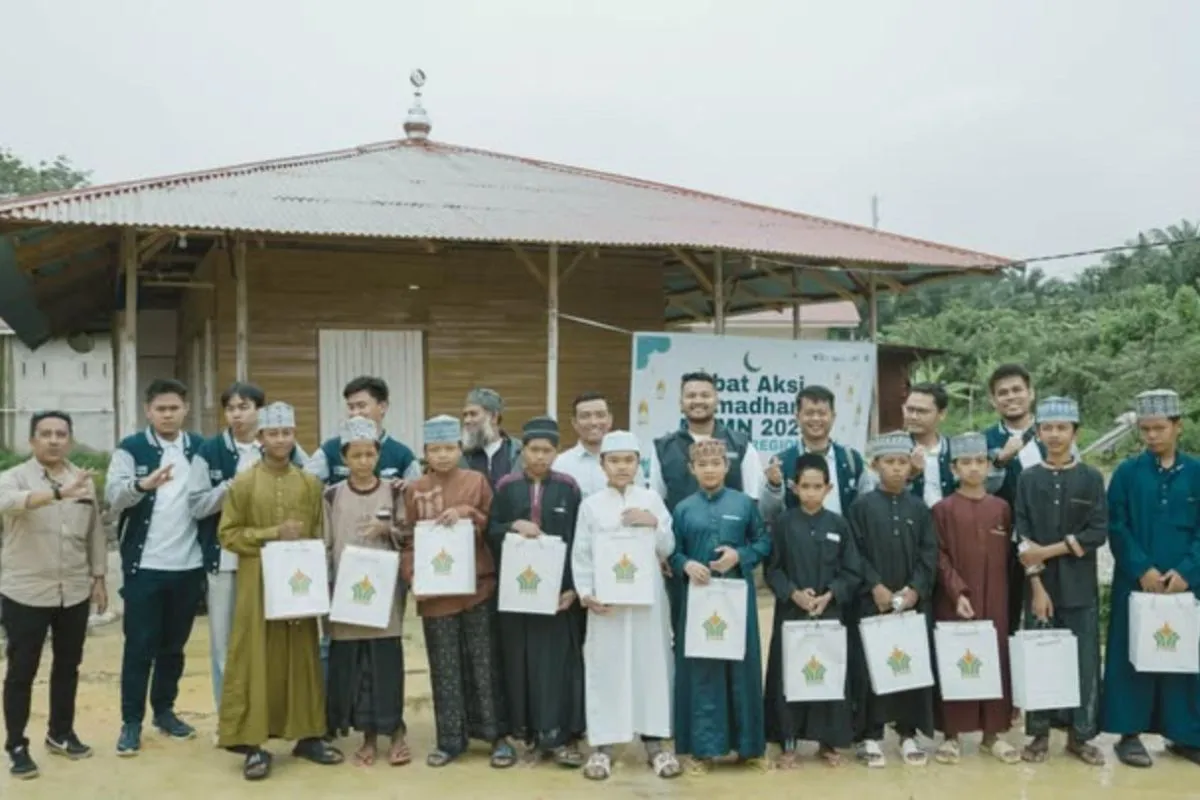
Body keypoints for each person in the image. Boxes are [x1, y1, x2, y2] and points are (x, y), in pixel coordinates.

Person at [216, 402, 342, 780]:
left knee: (302, 653)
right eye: (273, 433)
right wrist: (272, 534)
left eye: (287, 433)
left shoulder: (309, 483)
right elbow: (228, 535)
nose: (281, 440)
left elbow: (321, 534)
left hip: (300, 583)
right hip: (257, 583)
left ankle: (308, 735)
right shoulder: (244, 483)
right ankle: (254, 743)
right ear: (260, 438)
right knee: (256, 656)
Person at [188, 381, 308, 716]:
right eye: (231, 408)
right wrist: (234, 485)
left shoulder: (283, 446)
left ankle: (269, 714)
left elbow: (312, 484)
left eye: (245, 407)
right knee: (226, 645)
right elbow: (196, 505)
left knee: (270, 638)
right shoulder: (210, 452)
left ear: (260, 411)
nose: (237, 415)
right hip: (225, 559)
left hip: (273, 559)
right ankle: (229, 717)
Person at [400, 415, 513, 768]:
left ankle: (497, 737)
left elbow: (493, 526)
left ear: (460, 449)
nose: (443, 456)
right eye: (436, 449)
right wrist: (413, 575)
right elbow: (406, 540)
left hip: (477, 588)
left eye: (449, 448)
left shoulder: (477, 482)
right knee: (444, 666)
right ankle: (450, 740)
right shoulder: (414, 489)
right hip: (436, 596)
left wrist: (468, 513)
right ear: (425, 453)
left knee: (485, 663)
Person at [0, 411, 108, 779]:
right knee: (21, 670)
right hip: (26, 590)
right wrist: (60, 493)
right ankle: (16, 744)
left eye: (61, 434)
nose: (53, 440)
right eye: (45, 434)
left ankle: (60, 733)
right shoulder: (12, 479)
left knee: (67, 666)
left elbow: (95, 532)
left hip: (74, 589)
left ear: (70, 440)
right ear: (32, 441)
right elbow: (9, 503)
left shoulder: (83, 480)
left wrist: (98, 576)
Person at [573, 430, 682, 781]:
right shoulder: (591, 505)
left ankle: (656, 744)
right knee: (606, 667)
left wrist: (652, 523)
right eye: (614, 460)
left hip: (648, 603)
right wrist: (586, 592)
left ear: (638, 464)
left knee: (651, 666)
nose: (622, 466)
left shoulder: (651, 499)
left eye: (628, 460)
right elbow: (582, 553)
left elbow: (667, 547)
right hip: (609, 605)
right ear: (603, 465)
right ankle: (602, 747)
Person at [104, 378, 206, 755]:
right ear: (148, 411)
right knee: (139, 646)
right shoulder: (132, 448)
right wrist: (143, 485)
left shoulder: (200, 447)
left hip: (189, 565)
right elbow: (113, 496)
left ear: (185, 409)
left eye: (174, 408)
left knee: (174, 647)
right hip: (145, 566)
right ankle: (131, 722)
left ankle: (164, 711)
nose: (167, 414)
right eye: (160, 408)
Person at [1102, 389, 1200, 768]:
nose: (1152, 436)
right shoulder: (1128, 473)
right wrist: (1141, 568)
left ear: (1178, 426)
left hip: (1185, 586)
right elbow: (1118, 525)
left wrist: (1188, 572)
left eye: (1159, 428)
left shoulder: (1196, 473)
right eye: (1145, 430)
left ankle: (1186, 734)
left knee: (1183, 657)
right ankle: (1129, 734)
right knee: (1133, 657)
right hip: (1137, 582)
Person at [1014, 396, 1107, 766]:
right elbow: (1022, 535)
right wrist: (1036, 585)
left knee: (1084, 661)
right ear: (1038, 433)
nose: (1054, 435)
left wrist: (1047, 551)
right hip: (1040, 589)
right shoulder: (1028, 479)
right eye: (1047, 428)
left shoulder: (1091, 478)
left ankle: (1080, 736)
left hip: (1080, 588)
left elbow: (1096, 532)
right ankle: (1038, 735)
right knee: (1040, 660)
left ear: (1075, 432)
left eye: (1062, 428)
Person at [488, 416, 586, 766]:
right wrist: (513, 525)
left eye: (547, 450)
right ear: (523, 450)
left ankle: (556, 735)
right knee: (518, 660)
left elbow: (579, 541)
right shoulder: (505, 486)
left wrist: (573, 588)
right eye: (534, 449)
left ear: (557, 452)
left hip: (558, 596)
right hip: (516, 594)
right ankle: (524, 732)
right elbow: (490, 531)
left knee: (554, 665)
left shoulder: (569, 488)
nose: (540, 457)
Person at [670, 438, 771, 774]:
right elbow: (673, 550)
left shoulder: (744, 504)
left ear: (727, 467)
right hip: (698, 601)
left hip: (736, 599)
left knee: (741, 669)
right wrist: (685, 564)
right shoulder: (683, 508)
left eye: (716, 464)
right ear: (692, 469)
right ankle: (703, 750)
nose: (710, 470)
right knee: (702, 672)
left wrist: (739, 556)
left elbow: (763, 542)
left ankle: (749, 747)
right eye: (703, 465)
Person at [763, 452, 861, 769]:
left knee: (829, 672)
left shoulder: (839, 525)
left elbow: (852, 571)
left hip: (829, 615)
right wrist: (793, 593)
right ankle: (788, 741)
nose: (810, 492)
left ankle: (828, 742)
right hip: (792, 614)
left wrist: (830, 595)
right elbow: (772, 570)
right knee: (789, 675)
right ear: (794, 487)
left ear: (828, 488)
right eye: (805, 486)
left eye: (817, 486)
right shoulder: (783, 523)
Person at [847, 431, 937, 768]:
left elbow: (929, 553)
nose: (897, 469)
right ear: (875, 465)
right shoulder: (861, 507)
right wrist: (875, 586)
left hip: (911, 604)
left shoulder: (919, 509)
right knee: (871, 666)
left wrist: (914, 589)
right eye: (890, 462)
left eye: (902, 463)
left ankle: (907, 733)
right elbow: (853, 552)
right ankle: (870, 736)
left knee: (909, 666)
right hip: (874, 602)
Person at [323, 416, 410, 768]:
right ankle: (368, 736)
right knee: (356, 667)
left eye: (369, 454)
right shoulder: (331, 496)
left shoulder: (395, 491)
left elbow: (409, 534)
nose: (363, 461)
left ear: (378, 454)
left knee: (386, 662)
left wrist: (388, 528)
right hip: (346, 596)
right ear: (344, 458)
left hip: (385, 596)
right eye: (355, 455)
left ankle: (396, 731)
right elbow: (326, 546)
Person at [649, 371, 763, 628]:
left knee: (731, 634)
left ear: (716, 400)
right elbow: (657, 506)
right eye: (690, 395)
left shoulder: (742, 444)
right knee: (685, 633)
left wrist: (740, 554)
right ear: (680, 402)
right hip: (682, 563)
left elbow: (752, 503)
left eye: (705, 395)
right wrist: (665, 555)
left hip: (731, 565)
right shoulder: (663, 447)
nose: (698, 401)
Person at [931, 432, 1019, 765]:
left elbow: (1012, 558)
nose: (973, 468)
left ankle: (993, 734)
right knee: (957, 657)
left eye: (979, 462)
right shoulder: (942, 510)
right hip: (956, 601)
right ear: (954, 468)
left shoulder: (1001, 508)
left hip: (996, 597)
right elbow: (939, 556)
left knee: (995, 658)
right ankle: (952, 735)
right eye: (965, 462)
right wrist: (958, 591)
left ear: (987, 466)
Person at [982, 363, 1040, 643]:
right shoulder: (984, 441)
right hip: (1001, 543)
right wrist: (999, 460)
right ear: (993, 400)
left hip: (1049, 542)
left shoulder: (1053, 432)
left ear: (1031, 393)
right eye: (1002, 392)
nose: (1011, 397)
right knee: (1004, 613)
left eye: (1017, 389)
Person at [760, 384, 870, 529]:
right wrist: (774, 486)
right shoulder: (782, 462)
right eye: (809, 413)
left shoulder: (851, 460)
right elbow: (768, 515)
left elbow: (866, 508)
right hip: (798, 546)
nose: (816, 418)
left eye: (822, 413)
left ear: (833, 417)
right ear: (797, 417)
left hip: (844, 546)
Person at [305, 376, 420, 487]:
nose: (355, 413)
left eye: (361, 406)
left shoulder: (403, 455)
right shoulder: (330, 450)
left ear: (383, 407)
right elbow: (306, 483)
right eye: (351, 407)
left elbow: (417, 491)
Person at [553, 391, 616, 497]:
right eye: (585, 416)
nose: (593, 422)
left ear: (610, 420)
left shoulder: (628, 462)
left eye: (600, 415)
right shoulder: (560, 465)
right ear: (574, 423)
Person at [903, 383, 956, 508]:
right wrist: (910, 474)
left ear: (942, 414)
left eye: (922, 411)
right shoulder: (894, 449)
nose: (913, 416)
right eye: (910, 410)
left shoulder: (955, 450)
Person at [461, 388, 523, 487]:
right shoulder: (461, 456)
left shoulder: (518, 452)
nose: (467, 420)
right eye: (465, 415)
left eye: (473, 414)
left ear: (494, 417)